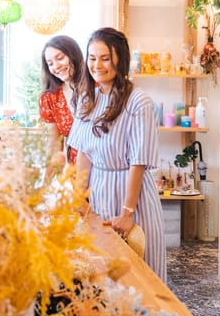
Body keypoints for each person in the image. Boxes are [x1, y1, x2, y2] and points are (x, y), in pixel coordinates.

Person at [67, 27, 166, 281]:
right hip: (99, 192)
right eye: (91, 58)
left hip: (131, 196)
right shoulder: (87, 98)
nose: (96, 65)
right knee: (104, 272)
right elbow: (84, 154)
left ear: (120, 59)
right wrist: (80, 197)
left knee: (140, 273)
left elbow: (139, 161)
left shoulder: (138, 101)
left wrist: (127, 212)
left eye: (105, 58)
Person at [39, 35, 84, 168]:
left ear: (73, 54)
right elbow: (54, 148)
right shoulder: (50, 98)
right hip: (73, 173)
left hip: (102, 171)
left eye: (60, 58)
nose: (56, 66)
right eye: (50, 63)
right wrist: (45, 184)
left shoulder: (98, 89)